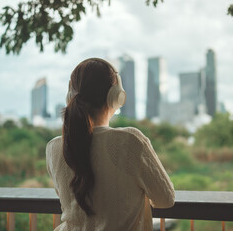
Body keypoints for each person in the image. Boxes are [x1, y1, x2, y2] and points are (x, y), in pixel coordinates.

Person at [46, 58, 175, 231]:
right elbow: (165, 199)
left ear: (70, 95)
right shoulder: (130, 141)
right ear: (116, 96)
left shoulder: (54, 147)